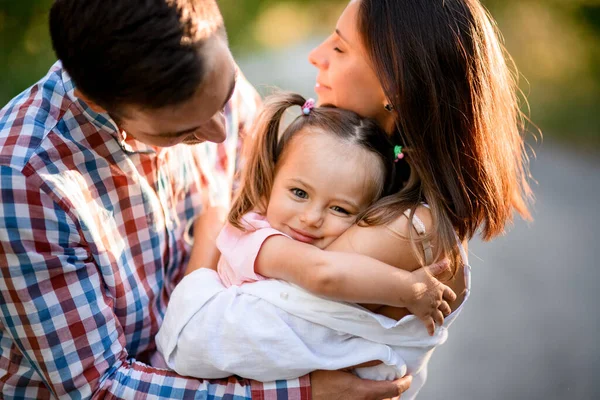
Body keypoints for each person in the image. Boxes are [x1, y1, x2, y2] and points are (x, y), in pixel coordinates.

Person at [0, 0, 413, 399]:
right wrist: (299, 393)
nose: (221, 132)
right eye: (182, 133)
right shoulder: (25, 181)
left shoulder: (198, 70)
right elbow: (100, 386)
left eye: (225, 95)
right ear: (97, 101)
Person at [155, 0, 534, 398]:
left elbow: (197, 336)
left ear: (396, 83)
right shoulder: (383, 191)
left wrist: (211, 235)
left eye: (338, 48)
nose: (315, 56)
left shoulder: (410, 230)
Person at [156, 91, 459, 382]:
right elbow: (321, 273)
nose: (311, 218)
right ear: (271, 180)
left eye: (340, 209)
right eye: (299, 193)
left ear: (366, 216)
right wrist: (408, 290)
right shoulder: (253, 236)